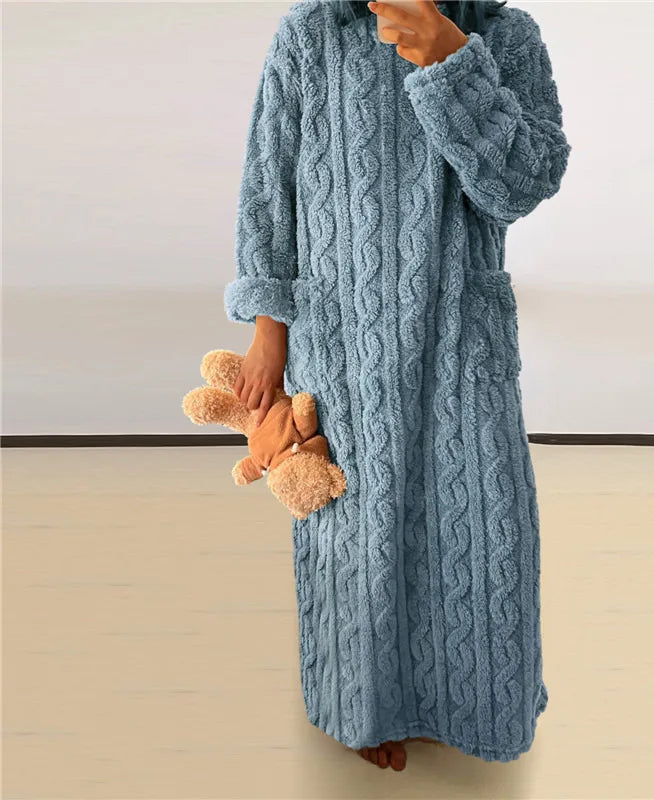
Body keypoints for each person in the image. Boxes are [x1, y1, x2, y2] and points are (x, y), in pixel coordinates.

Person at [224, 0, 570, 771]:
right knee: (356, 532)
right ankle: (363, 705)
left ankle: (474, 702)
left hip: (459, 334)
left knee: (479, 524)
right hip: (340, 337)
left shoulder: (503, 35)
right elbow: (269, 181)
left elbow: (523, 183)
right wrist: (268, 330)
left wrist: (451, 60)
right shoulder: (313, 32)